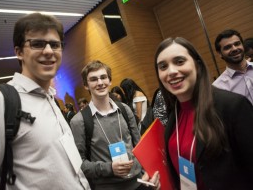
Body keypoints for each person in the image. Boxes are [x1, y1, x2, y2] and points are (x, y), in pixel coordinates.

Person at [0, 13, 90, 190]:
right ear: (18, 52)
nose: (49, 51)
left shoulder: (51, 99)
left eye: (55, 44)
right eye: (37, 44)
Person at [143, 37, 253, 189]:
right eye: (163, 66)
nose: (172, 71)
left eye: (180, 61)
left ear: (198, 65)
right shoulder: (174, 117)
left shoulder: (232, 106)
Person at [70, 60, 160, 190]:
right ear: (86, 85)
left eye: (103, 77)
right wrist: (109, 168)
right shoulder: (79, 121)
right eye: (94, 79)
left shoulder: (124, 109)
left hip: (139, 183)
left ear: (110, 80)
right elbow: (80, 164)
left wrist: (149, 172)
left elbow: (139, 147)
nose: (100, 83)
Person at [213, 29, 253, 105]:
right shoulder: (218, 88)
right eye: (227, 47)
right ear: (220, 53)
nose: (234, 49)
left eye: (237, 44)